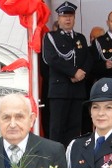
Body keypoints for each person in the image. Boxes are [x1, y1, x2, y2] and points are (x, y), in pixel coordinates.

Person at [42, 1, 92, 146]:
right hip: (60, 90)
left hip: (77, 90)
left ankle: (71, 155)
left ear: (74, 18)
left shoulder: (80, 38)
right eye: (64, 16)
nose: (68, 19)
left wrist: (82, 73)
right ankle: (56, 158)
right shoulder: (51, 37)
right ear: (59, 18)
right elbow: (51, 59)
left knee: (74, 128)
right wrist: (73, 72)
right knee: (57, 128)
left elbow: (88, 59)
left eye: (70, 16)